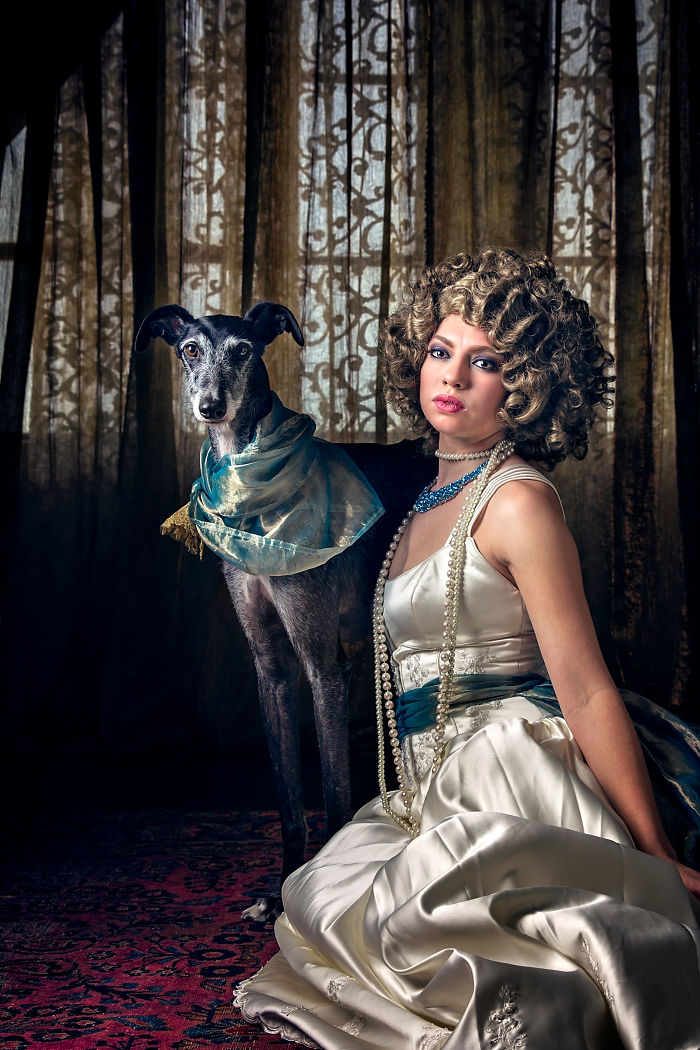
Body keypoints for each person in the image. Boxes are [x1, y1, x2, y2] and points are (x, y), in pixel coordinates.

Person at [234, 248, 700, 1049]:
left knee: (478, 958)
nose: (451, 376)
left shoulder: (518, 503)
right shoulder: (423, 501)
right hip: (431, 787)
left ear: (527, 387)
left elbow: (586, 685)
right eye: (440, 351)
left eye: (486, 362)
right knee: (328, 899)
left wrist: (654, 852)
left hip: (506, 769)